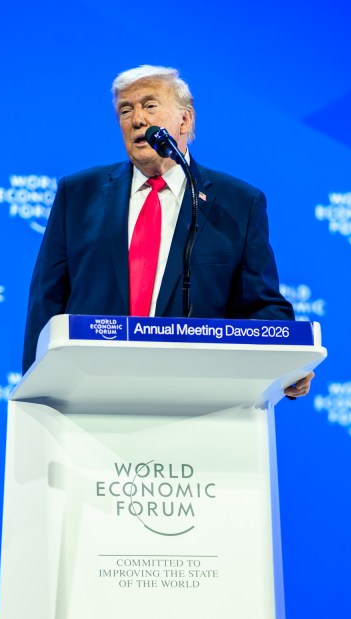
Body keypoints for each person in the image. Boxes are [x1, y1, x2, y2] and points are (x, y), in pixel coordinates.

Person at [21, 65, 313, 398]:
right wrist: (37, 396)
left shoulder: (238, 204)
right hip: (92, 394)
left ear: (185, 121)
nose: (137, 120)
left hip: (196, 399)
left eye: (149, 105)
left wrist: (289, 366)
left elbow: (262, 306)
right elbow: (46, 301)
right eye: (125, 110)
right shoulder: (78, 194)